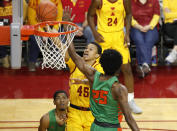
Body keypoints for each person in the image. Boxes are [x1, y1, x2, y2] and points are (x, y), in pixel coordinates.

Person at [66, 22, 140, 130]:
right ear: (119, 68)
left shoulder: (92, 76)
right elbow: (129, 118)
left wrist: (67, 29)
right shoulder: (119, 89)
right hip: (111, 128)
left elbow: (74, 55)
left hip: (95, 126)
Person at [87, 0, 142, 114]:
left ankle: (130, 101)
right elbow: (90, 15)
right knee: (99, 70)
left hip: (119, 36)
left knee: (126, 69)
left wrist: (127, 34)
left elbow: (129, 14)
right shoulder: (99, 1)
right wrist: (94, 32)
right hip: (103, 36)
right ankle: (96, 100)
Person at [27, 0, 63, 71]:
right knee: (35, 39)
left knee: (58, 36)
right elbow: (32, 20)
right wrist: (42, 32)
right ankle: (32, 61)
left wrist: (55, 29)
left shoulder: (57, 1)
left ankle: (57, 60)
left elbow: (59, 17)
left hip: (52, 26)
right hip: (36, 26)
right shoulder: (33, 1)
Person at [130, 0, 160, 77]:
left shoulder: (154, 1)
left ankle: (141, 65)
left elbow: (156, 15)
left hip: (151, 27)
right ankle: (146, 65)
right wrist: (138, 26)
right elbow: (129, 16)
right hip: (136, 27)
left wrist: (149, 26)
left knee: (148, 40)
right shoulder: (130, 1)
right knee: (139, 39)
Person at [0, 0, 12, 68]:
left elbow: (22, 16)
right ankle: (4, 57)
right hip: (1, 27)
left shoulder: (18, 2)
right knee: (1, 34)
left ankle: (12, 57)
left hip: (14, 27)